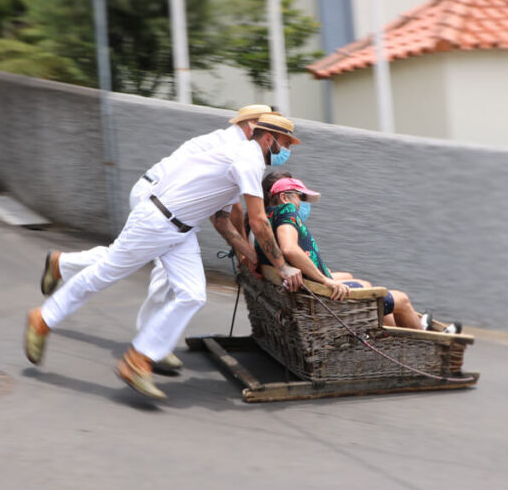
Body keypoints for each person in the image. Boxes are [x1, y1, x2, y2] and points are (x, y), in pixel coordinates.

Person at [24, 113, 305, 400]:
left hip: (181, 232)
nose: (286, 151)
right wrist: (281, 266)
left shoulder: (241, 158)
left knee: (192, 294)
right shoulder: (248, 158)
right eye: (285, 143)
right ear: (268, 139)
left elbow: (221, 219)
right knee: (104, 274)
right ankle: (43, 319)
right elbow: (258, 220)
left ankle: (138, 361)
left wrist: (248, 254)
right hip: (156, 221)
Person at [257, 176, 441, 330]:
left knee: (363, 284)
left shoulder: (267, 218)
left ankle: (393, 333)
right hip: (323, 297)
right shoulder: (286, 211)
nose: (302, 204)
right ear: (284, 197)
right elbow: (289, 248)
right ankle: (416, 340)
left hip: (313, 292)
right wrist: (325, 280)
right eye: (300, 197)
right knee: (402, 299)